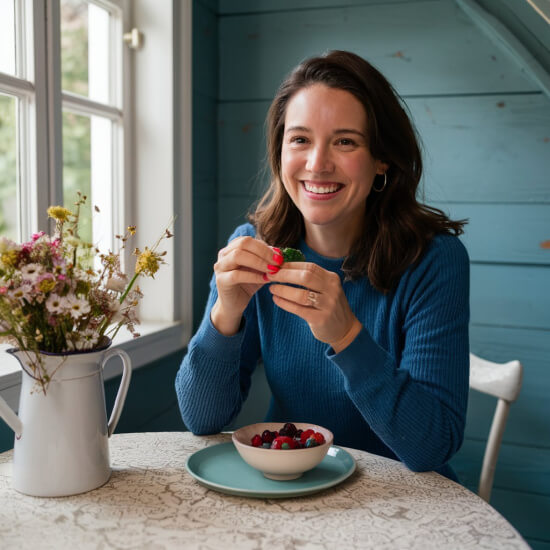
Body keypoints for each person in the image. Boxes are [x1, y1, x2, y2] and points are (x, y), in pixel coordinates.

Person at [175, 50, 469, 480]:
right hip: (293, 488)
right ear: (279, 152)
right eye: (300, 139)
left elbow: (431, 446)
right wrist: (225, 316)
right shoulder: (252, 247)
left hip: (404, 499)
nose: (317, 164)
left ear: (381, 158)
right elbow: (202, 418)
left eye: (345, 141)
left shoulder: (434, 260)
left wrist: (347, 335)